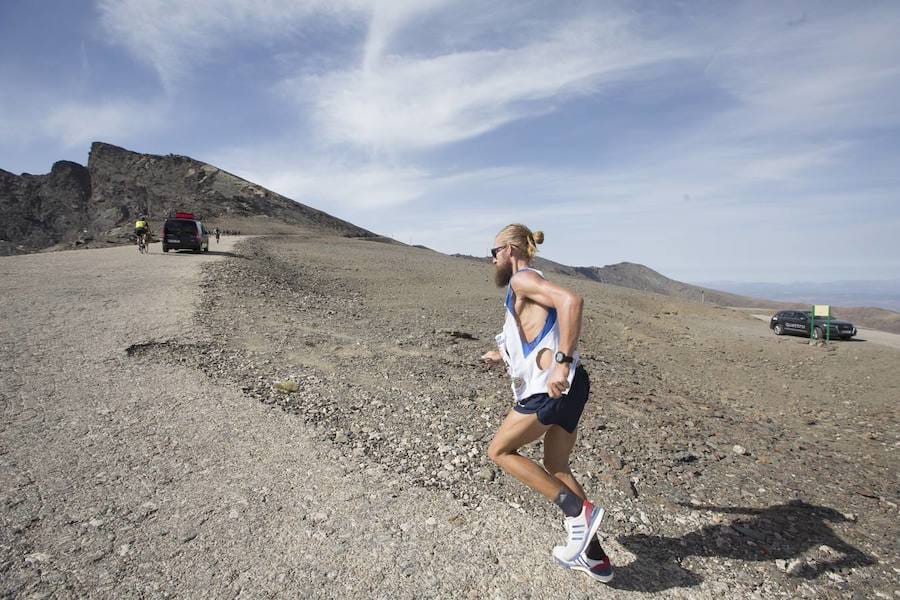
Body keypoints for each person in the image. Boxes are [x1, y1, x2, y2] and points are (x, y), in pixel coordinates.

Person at [482, 223, 613, 583]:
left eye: (493, 253)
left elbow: (571, 301)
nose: (492, 260)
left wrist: (563, 362)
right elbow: (534, 333)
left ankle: (576, 511)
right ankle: (595, 557)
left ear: (509, 250)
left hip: (550, 388)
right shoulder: (524, 288)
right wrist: (501, 355)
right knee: (557, 465)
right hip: (574, 386)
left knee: (500, 452)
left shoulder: (521, 280)